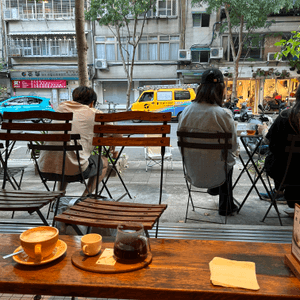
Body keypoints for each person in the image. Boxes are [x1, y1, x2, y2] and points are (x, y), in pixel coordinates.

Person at [177, 68, 238, 216]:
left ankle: (215, 190)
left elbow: (181, 147)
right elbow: (234, 147)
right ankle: (225, 206)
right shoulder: (224, 115)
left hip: (193, 172)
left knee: (221, 159)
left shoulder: (185, 113)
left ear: (200, 89)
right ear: (221, 90)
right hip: (218, 174)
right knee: (228, 160)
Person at [39, 86, 109, 197]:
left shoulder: (61, 108)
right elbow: (115, 133)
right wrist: (113, 148)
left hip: (45, 169)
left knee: (66, 156)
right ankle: (85, 198)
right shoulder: (95, 113)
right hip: (76, 172)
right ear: (92, 103)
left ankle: (59, 196)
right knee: (104, 162)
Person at [257, 84, 300, 208]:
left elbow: (269, 140)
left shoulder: (286, 116)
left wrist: (264, 130)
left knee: (277, 155)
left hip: (283, 170)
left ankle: (279, 191)